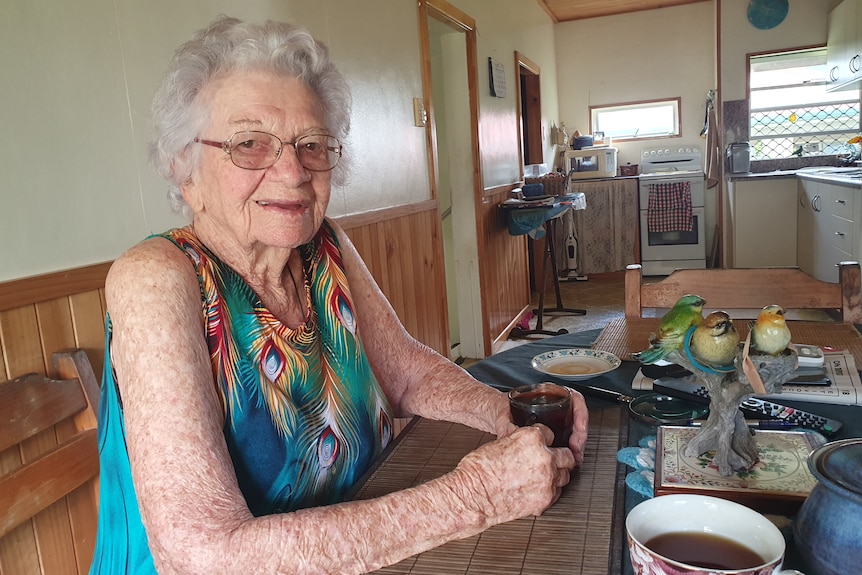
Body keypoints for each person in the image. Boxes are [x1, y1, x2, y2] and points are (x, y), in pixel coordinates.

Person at [91, 15, 589, 575]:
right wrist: (474, 496)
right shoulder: (155, 278)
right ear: (186, 170)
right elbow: (203, 555)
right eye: (249, 143)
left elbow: (407, 374)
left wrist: (507, 413)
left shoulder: (323, 246)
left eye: (311, 144)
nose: (291, 170)